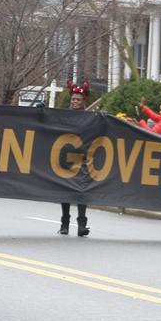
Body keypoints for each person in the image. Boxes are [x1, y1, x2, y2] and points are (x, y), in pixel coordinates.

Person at [59, 82, 90, 237]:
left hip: (82, 158)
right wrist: (42, 111)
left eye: (78, 100)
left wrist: (103, 119)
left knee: (82, 191)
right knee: (65, 190)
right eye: (73, 100)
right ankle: (64, 223)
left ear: (83, 101)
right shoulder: (63, 115)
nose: (75, 102)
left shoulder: (90, 117)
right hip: (66, 158)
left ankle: (82, 225)